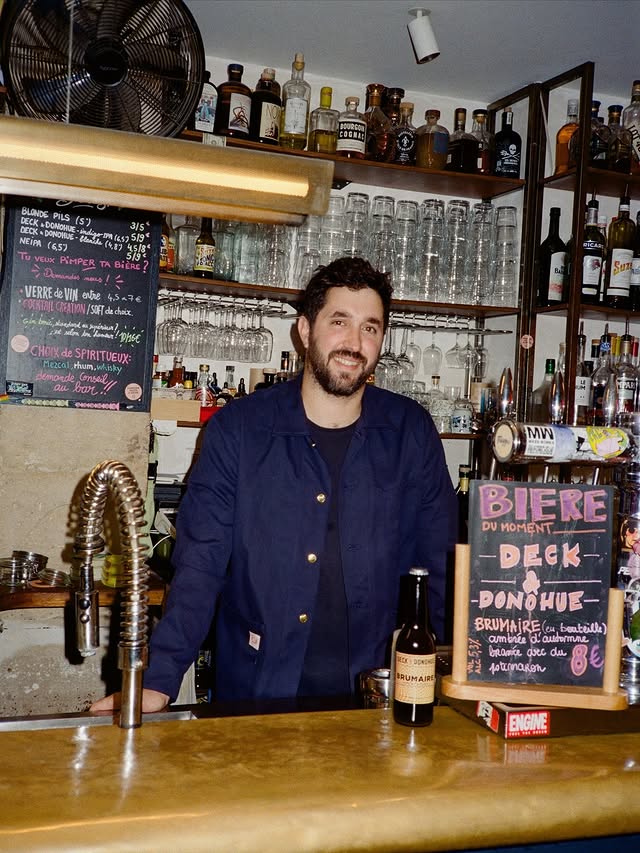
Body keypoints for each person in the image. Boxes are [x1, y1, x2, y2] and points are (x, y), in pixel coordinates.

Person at [92, 257, 456, 713]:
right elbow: (201, 564)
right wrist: (158, 680)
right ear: (304, 331)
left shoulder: (410, 431)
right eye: (339, 321)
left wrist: (457, 672)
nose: (354, 342)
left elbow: (441, 566)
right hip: (258, 691)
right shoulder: (238, 430)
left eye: (370, 327)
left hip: (378, 695)